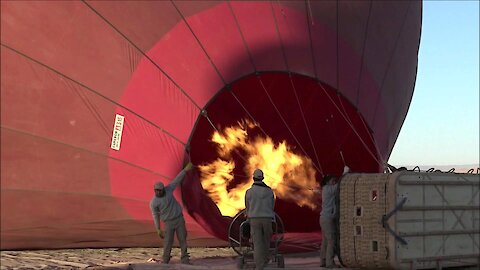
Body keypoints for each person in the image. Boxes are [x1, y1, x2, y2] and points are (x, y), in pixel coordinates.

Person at [150, 162, 193, 264]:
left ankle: (185, 258)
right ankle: (165, 259)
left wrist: (185, 170)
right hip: (168, 222)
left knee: (183, 239)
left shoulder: (168, 190)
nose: (159, 192)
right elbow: (155, 216)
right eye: (156, 191)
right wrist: (158, 229)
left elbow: (177, 180)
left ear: (163, 189)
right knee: (168, 242)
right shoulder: (154, 203)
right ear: (154, 191)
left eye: (160, 190)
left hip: (179, 219)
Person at [319, 165, 349, 268]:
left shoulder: (325, 189)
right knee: (331, 240)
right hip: (327, 218)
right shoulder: (328, 189)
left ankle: (323, 260)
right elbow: (339, 186)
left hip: (324, 218)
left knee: (326, 240)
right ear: (328, 182)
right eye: (333, 181)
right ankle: (329, 262)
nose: (334, 182)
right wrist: (345, 173)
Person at [245, 169, 275, 270]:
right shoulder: (269, 191)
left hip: (254, 219)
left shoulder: (249, 192)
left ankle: (259, 266)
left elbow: (247, 207)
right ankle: (266, 260)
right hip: (267, 219)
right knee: (266, 241)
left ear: (253, 178)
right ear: (262, 178)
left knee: (257, 243)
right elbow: (272, 206)